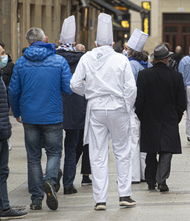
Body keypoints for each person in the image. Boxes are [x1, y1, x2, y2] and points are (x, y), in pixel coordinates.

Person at [70, 13, 137, 211]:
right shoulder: (120, 59)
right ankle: (124, 194)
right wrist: (127, 106)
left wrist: (88, 93)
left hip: (96, 108)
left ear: (95, 42)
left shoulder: (86, 57)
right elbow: (131, 88)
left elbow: (74, 84)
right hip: (118, 108)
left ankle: (100, 199)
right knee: (122, 151)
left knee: (97, 153)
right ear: (113, 42)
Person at [8, 27, 73, 210]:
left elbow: (13, 90)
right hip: (52, 115)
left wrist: (17, 111)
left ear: (28, 43)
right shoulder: (59, 61)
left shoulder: (21, 63)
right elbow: (68, 88)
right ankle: (50, 180)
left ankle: (36, 198)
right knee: (54, 153)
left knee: (33, 158)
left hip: (29, 116)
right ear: (46, 39)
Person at [135, 44, 186, 192]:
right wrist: (177, 116)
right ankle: (162, 180)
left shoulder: (144, 75)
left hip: (149, 118)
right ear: (166, 59)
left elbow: (139, 101)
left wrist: (142, 116)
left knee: (151, 150)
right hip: (169, 118)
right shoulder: (176, 76)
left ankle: (151, 180)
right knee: (166, 151)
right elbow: (181, 102)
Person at [0, 43, 28, 219]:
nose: (5, 56)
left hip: (2, 132)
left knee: (1, 172)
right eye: (2, 53)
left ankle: (4, 207)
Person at [56, 16, 91, 195]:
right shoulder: (84, 59)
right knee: (71, 148)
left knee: (53, 150)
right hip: (77, 107)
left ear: (59, 42)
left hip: (54, 108)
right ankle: (68, 184)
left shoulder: (53, 59)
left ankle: (52, 178)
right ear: (75, 43)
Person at [124, 28, 151, 184]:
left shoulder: (130, 65)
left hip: (133, 108)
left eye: (127, 49)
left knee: (133, 142)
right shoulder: (146, 64)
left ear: (131, 51)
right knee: (143, 142)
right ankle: (143, 173)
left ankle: (134, 175)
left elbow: (129, 88)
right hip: (145, 108)